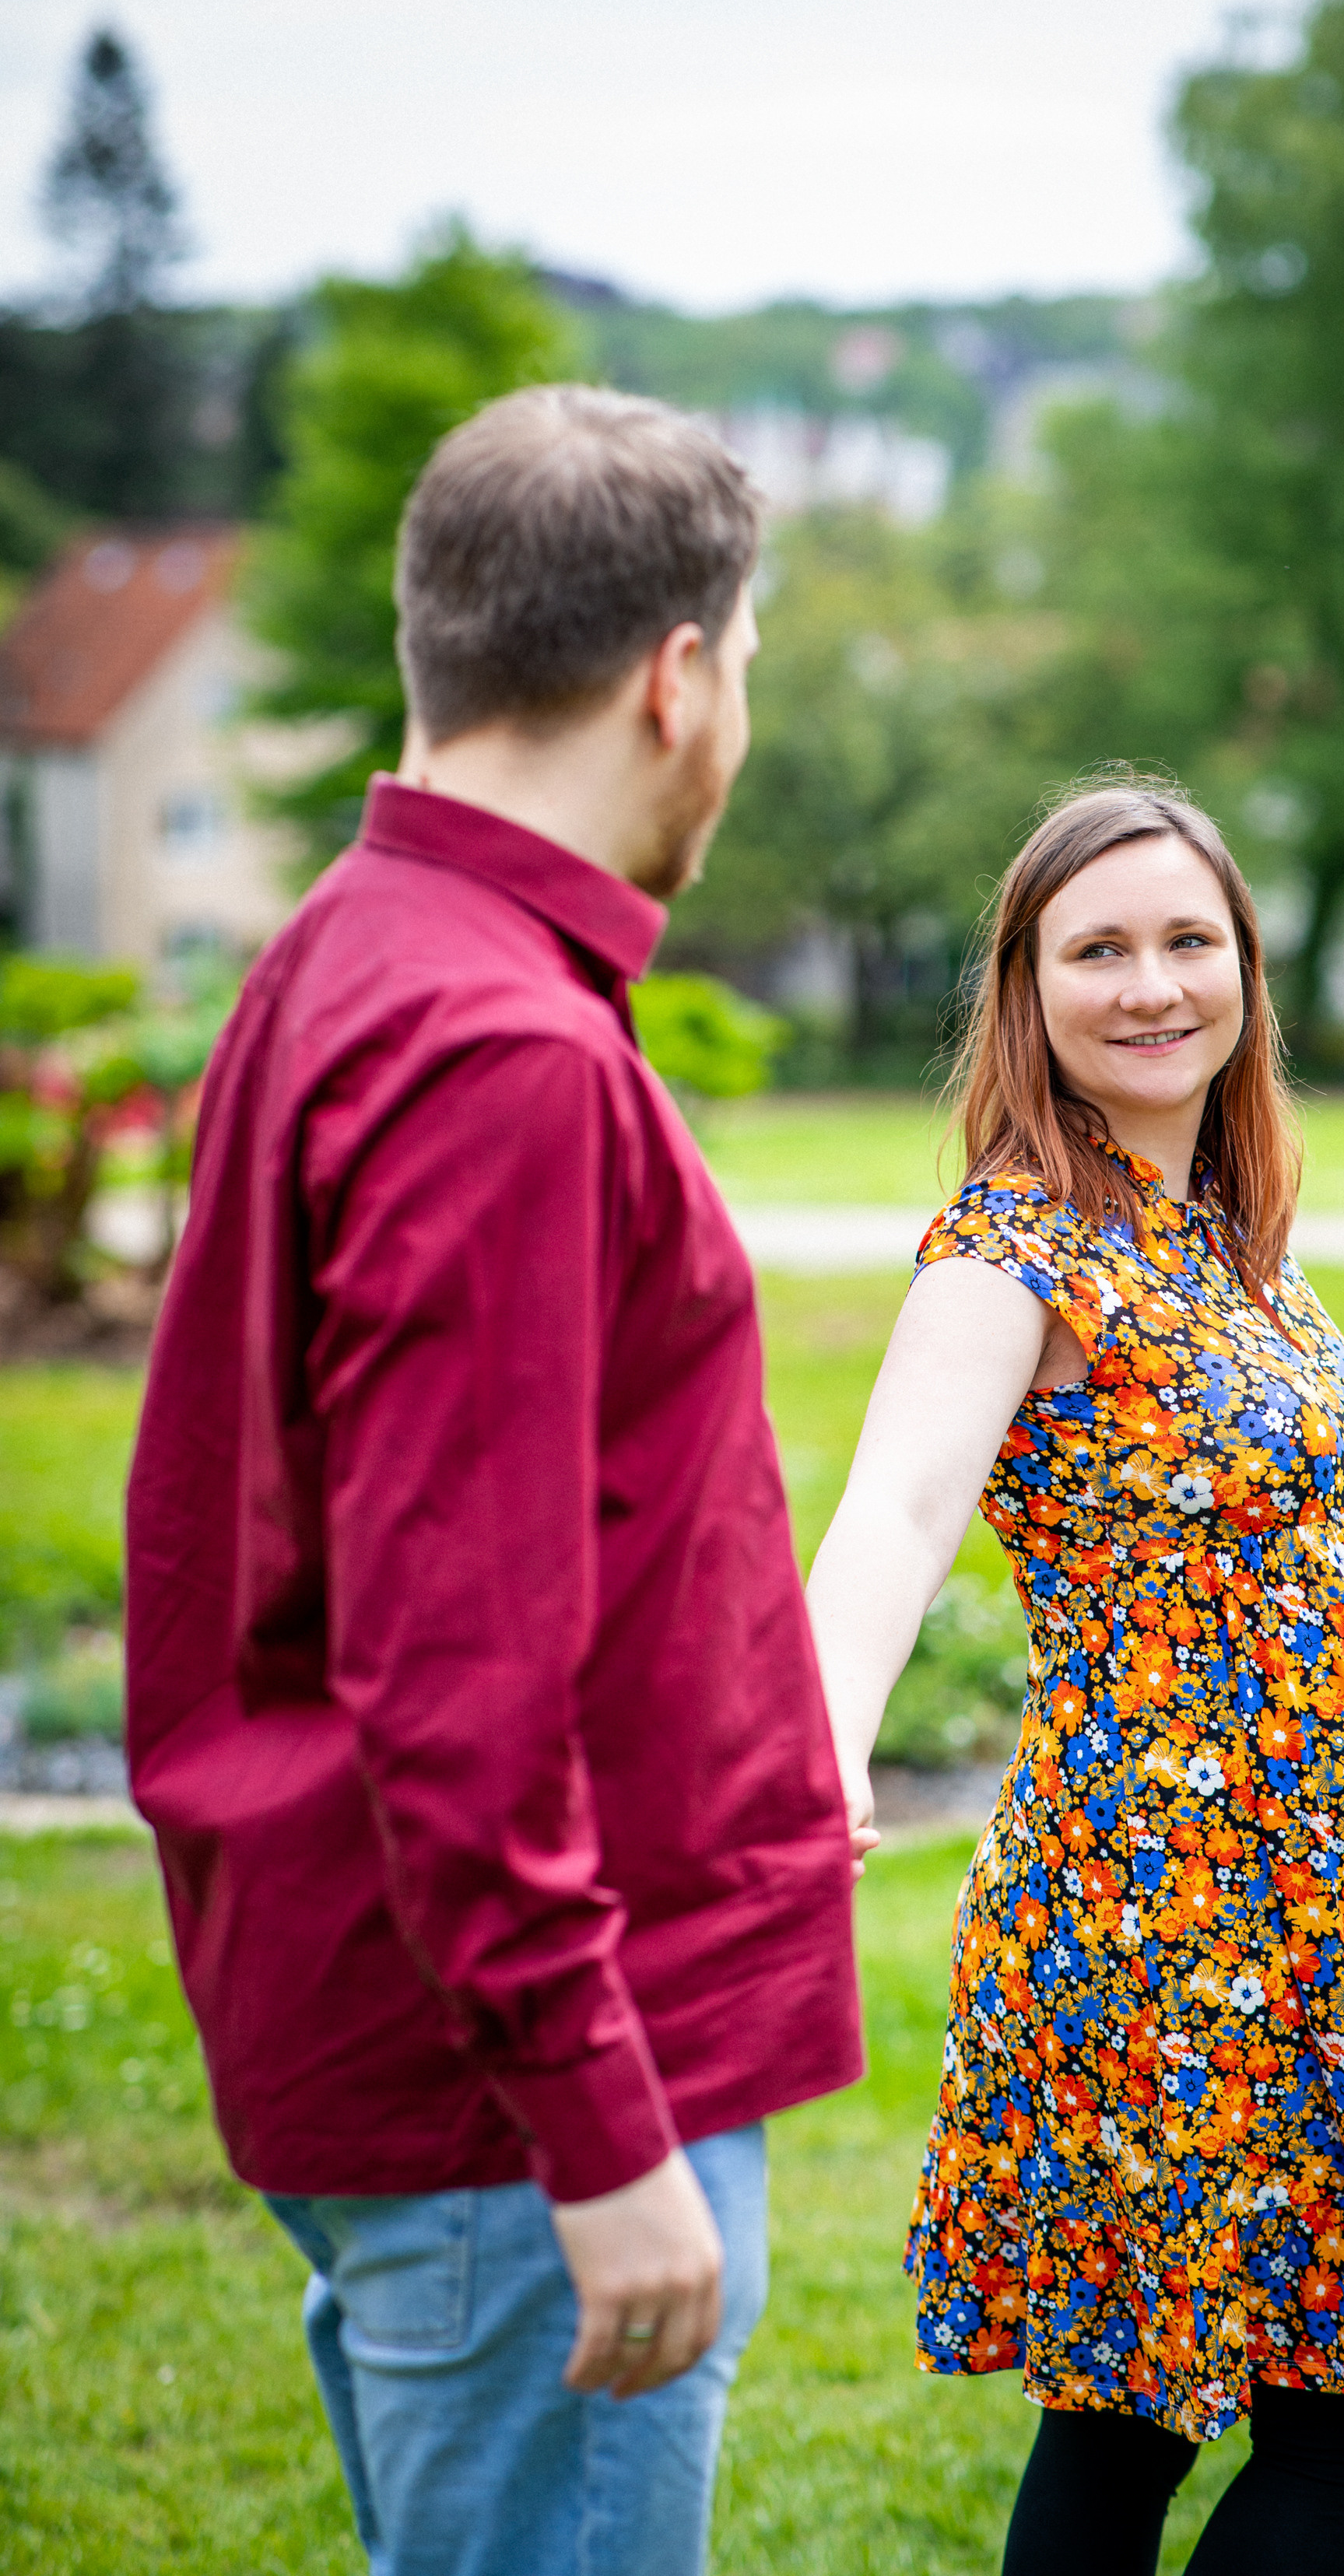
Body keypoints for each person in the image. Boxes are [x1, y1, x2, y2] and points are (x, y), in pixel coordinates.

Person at [125, 385, 863, 2576]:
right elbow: (454, 1666)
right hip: (522, 2097)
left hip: (450, 2046)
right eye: (745, 667)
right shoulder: (501, 1053)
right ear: (678, 675)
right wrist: (596, 2125)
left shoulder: (353, 953)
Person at [807, 776, 1344, 2576]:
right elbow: (892, 1511)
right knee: (1207, 2419)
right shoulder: (1017, 1247)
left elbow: (1298, 1534)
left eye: (1186, 940)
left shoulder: (1219, 1221)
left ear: (1244, 968)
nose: (1151, 985)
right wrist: (817, 1742)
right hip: (1171, 1928)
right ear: (1026, 990)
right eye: (1098, 949)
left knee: (1318, 2405)